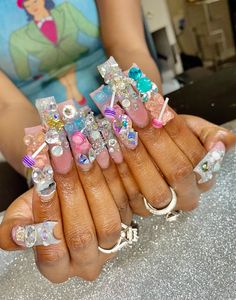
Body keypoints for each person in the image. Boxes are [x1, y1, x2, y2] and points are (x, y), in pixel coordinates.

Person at [0, 0, 235, 283]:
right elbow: (6, 107)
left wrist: (146, 121)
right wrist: (41, 168)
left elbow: (128, 47)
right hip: (44, 145)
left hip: (121, 113)